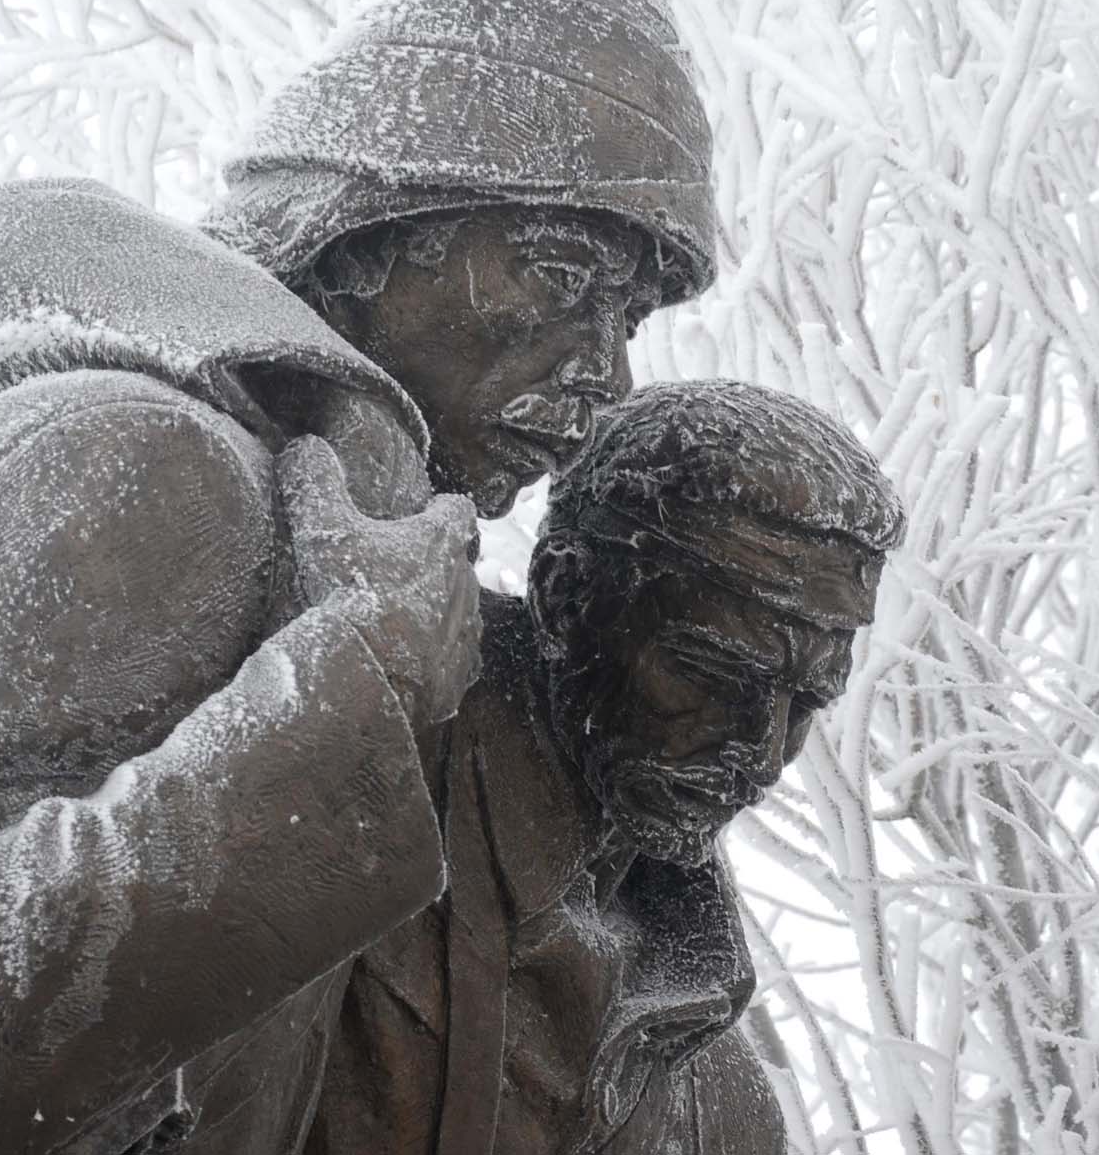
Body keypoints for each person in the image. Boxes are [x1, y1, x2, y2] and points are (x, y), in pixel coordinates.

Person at [0, 0, 721, 1155]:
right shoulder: (142, 456)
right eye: (564, 272)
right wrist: (354, 687)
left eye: (628, 316)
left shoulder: (327, 548)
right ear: (365, 231)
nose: (605, 373)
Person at [307, 380, 905, 1154]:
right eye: (715, 675)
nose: (761, 758)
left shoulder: (719, 1107)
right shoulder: (348, 774)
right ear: (563, 594)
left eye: (805, 705)